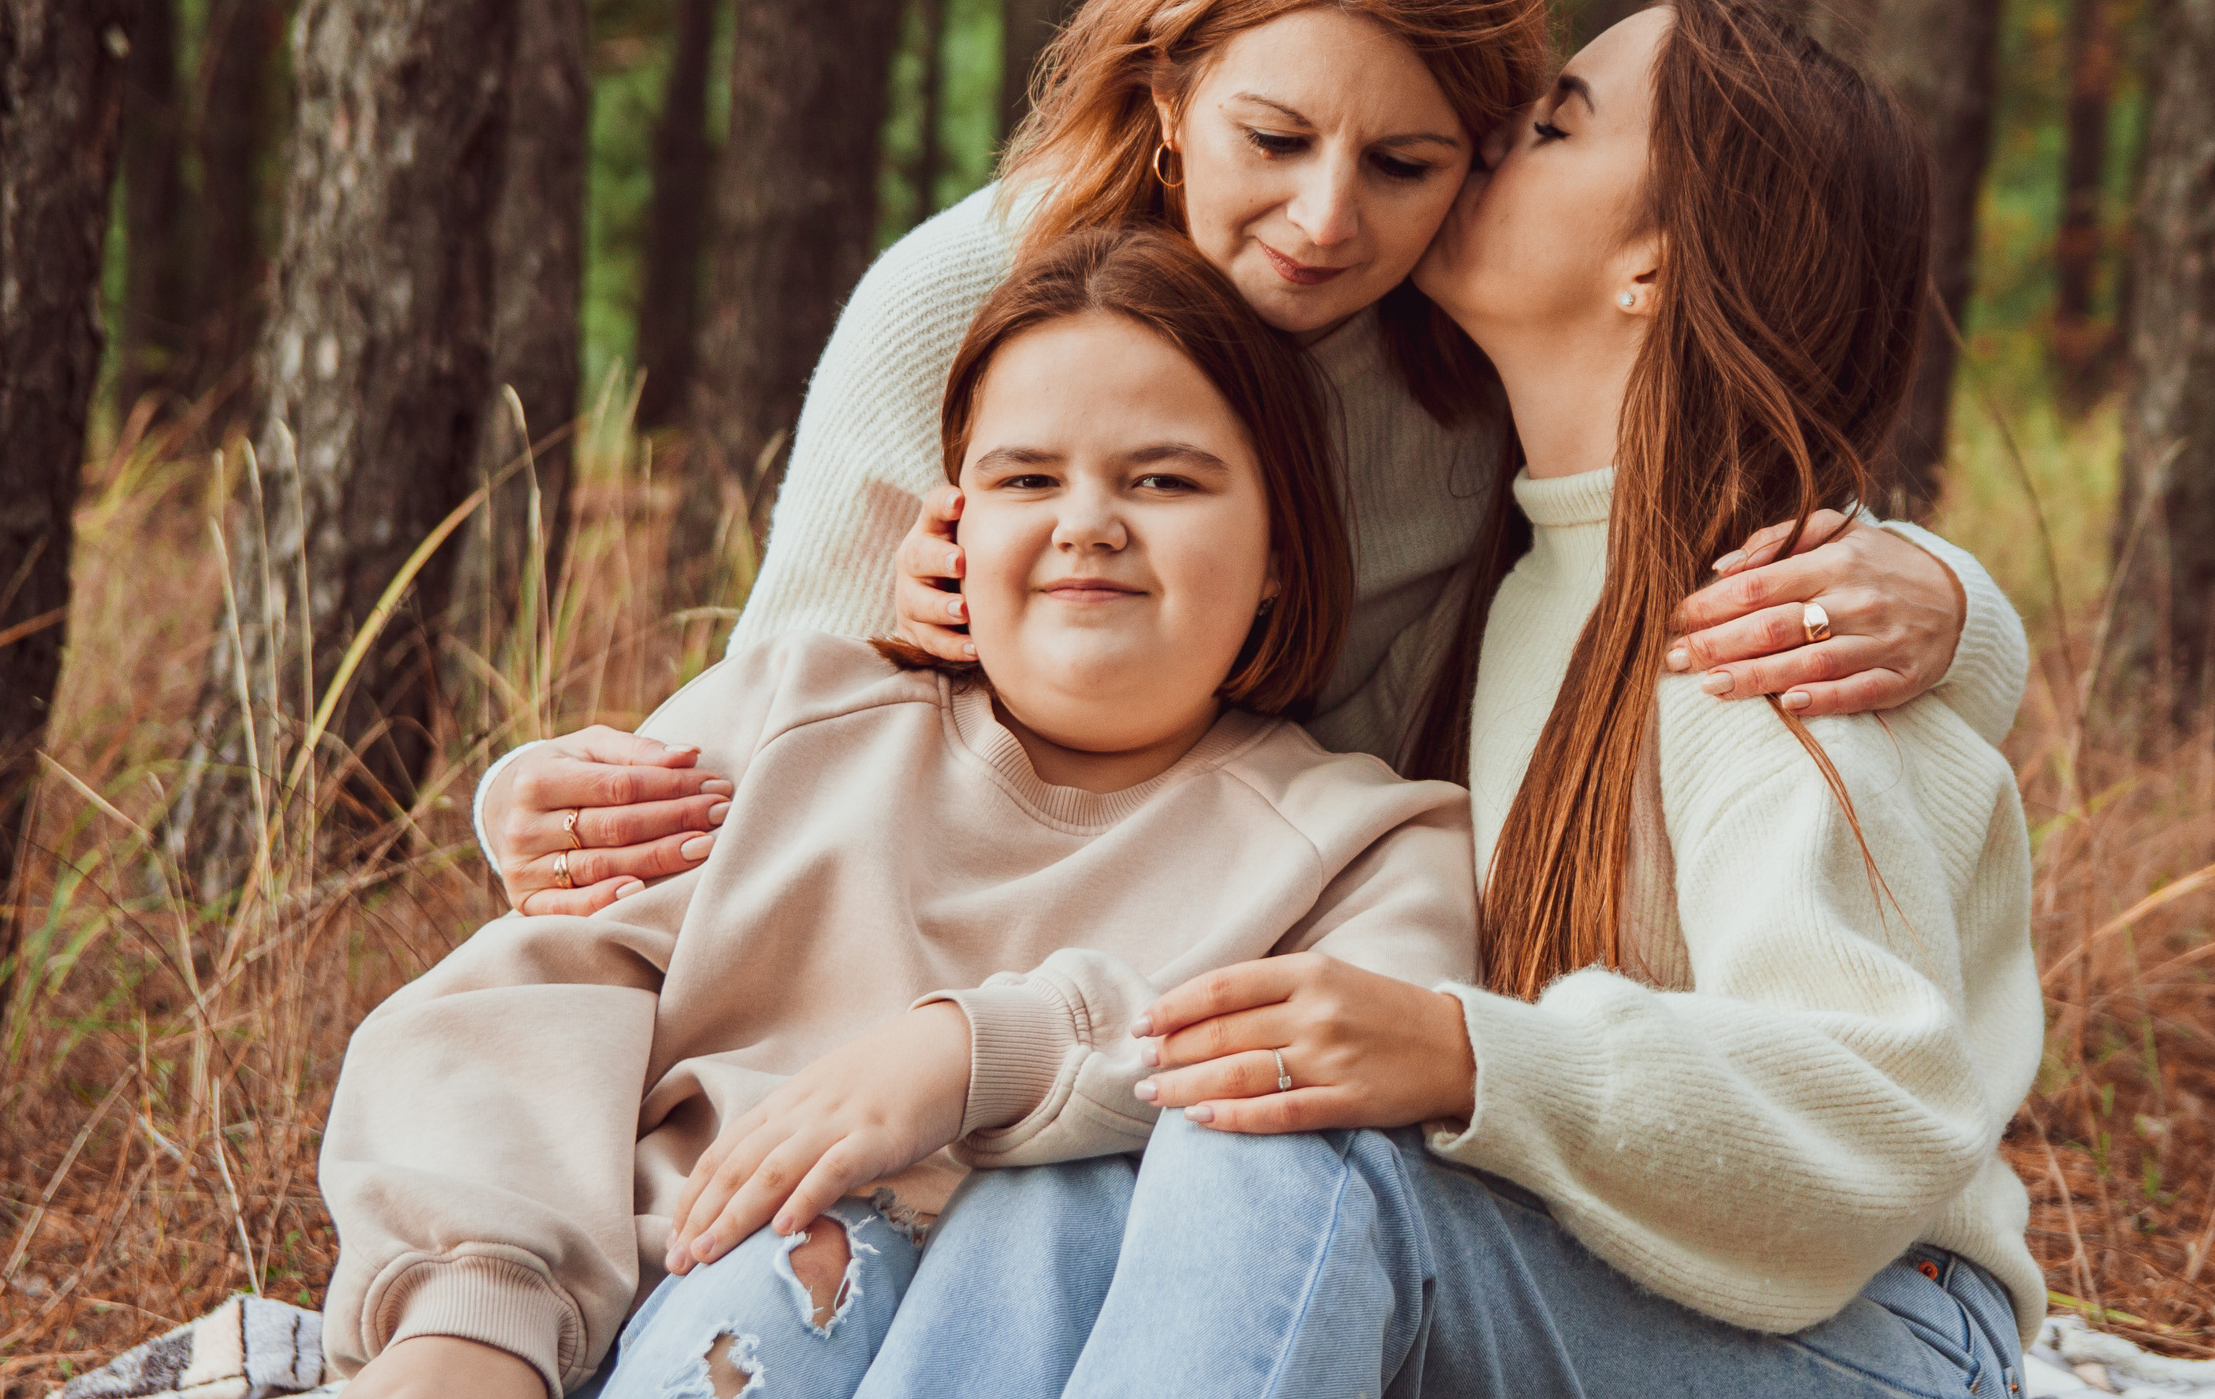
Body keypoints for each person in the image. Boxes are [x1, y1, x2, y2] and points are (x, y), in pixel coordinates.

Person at [828, 0, 2046, 1399]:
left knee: (1293, 1151)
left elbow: (1879, 1106)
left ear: (1651, 265)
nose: (1491, 138)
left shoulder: (1770, 630)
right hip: (1597, 1268)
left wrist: (1472, 1053)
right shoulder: (1519, 559)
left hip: (1879, 1332)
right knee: (1082, 1175)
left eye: (1556, 125)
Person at [474, 0, 2020, 919]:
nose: (1327, 220)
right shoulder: (963, 299)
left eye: (1406, 162)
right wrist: (538, 803)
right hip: (942, 915)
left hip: (1288, 937)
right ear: (1169, 94)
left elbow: (1689, 523)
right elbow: (772, 708)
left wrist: (1959, 610)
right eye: (1272, 138)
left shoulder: (1469, 346)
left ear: (1484, 155)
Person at [323, 227, 1482, 1399]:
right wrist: (478, 1315)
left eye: (1165, 479)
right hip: (614, 1325)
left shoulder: (1361, 846)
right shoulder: (799, 716)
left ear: (1280, 545)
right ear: (952, 524)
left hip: (1024, 1350)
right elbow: (532, 1002)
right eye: (1026, 479)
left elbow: (1339, 1104)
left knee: (831, 1248)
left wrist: (982, 1049)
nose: (1087, 522)